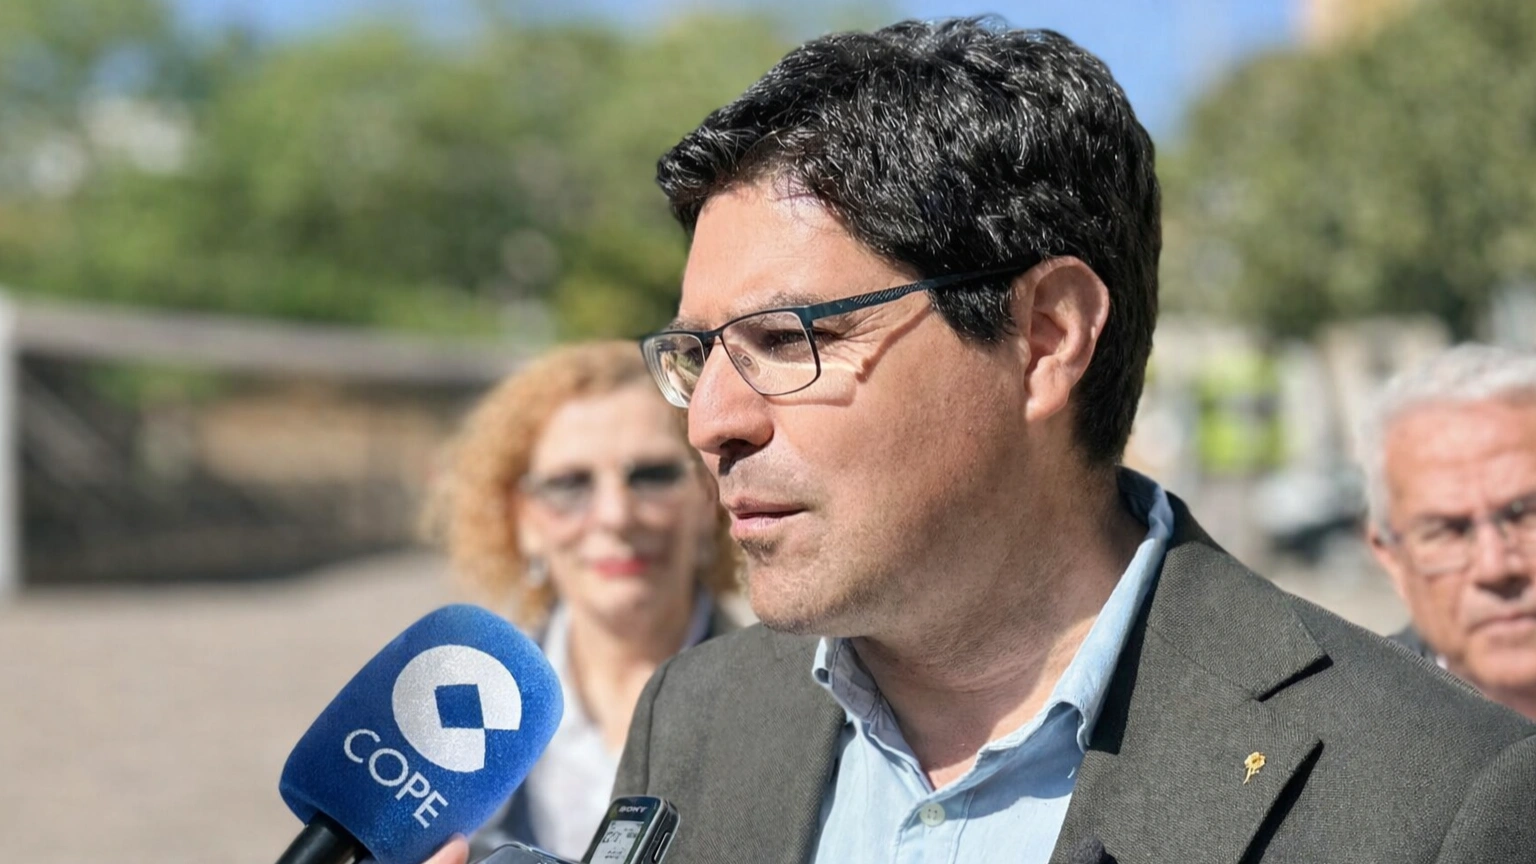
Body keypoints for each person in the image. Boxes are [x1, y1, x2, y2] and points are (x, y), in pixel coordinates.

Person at [604, 17, 1536, 864]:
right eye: (698, 353)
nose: (711, 422)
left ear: (1047, 339)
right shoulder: (696, 718)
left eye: (786, 340)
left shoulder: (1434, 794)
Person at [423, 340, 739, 861]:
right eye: (569, 484)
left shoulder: (804, 708)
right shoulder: (462, 716)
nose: (615, 516)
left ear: (708, 498)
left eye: (652, 475)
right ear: (522, 519)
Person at [1363, 343, 1536, 721]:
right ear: (1392, 559)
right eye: (1447, 532)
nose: (1495, 567)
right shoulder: (1349, 736)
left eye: (1526, 515)